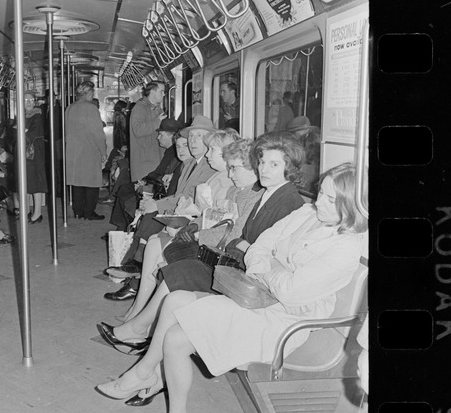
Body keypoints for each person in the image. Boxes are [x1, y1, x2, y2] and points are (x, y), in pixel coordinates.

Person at [95, 162, 367, 413]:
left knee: (175, 339)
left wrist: (267, 266)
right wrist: (272, 265)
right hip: (263, 300)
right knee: (174, 301)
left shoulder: (347, 245)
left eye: (330, 199)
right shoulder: (308, 213)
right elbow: (261, 245)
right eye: (321, 194)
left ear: (352, 205)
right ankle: (147, 374)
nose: (320, 203)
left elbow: (291, 290)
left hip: (284, 322)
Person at [99, 130, 306, 363]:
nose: (264, 170)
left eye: (274, 164)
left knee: (178, 270)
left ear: (290, 167)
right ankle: (143, 336)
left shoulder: (286, 201)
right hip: (237, 263)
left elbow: (249, 241)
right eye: (263, 163)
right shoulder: (267, 194)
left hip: (248, 280)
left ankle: (142, 337)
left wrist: (223, 239)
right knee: (175, 268)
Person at [104, 135, 257, 326]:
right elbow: (214, 215)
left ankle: (140, 315)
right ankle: (139, 310)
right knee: (155, 243)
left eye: (212, 150)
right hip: (208, 238)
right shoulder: (234, 187)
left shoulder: (237, 187)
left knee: (164, 253)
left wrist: (193, 232)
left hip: (219, 252)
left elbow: (229, 230)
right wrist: (193, 226)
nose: (230, 172)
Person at [106, 115, 217, 277]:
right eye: (191, 136)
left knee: (151, 214)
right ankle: (132, 266)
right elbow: (180, 194)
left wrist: (157, 205)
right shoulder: (192, 163)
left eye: (198, 136)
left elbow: (189, 197)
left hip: (194, 216)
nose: (192, 141)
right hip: (182, 208)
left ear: (209, 140)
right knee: (145, 209)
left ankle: (134, 266)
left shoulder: (207, 166)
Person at [108, 117, 183, 232]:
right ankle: (122, 228)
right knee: (123, 189)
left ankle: (123, 229)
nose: (158, 138)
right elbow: (158, 171)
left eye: (161, 135)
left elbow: (160, 173)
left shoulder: (174, 153)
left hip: (158, 188)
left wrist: (145, 182)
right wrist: (144, 180)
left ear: (171, 136)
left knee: (126, 192)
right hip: (155, 183)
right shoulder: (170, 151)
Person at [64, 80, 108, 220]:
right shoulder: (91, 109)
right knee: (91, 183)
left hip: (73, 151)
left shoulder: (70, 108)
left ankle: (78, 211)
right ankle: (89, 212)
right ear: (88, 93)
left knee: (77, 183)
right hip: (89, 151)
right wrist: (103, 151)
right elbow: (98, 133)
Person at [129, 82, 166, 182]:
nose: (164, 94)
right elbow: (138, 130)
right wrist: (157, 122)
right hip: (145, 159)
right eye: (161, 91)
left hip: (156, 157)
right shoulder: (139, 108)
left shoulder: (158, 109)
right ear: (153, 92)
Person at [24, 92, 48, 223]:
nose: (28, 102)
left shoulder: (37, 115)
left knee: (36, 183)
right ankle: (27, 210)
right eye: (25, 100)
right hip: (26, 153)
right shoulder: (22, 115)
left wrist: (22, 131)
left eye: (31, 100)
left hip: (34, 153)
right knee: (27, 182)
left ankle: (37, 212)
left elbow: (30, 133)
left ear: (35, 102)